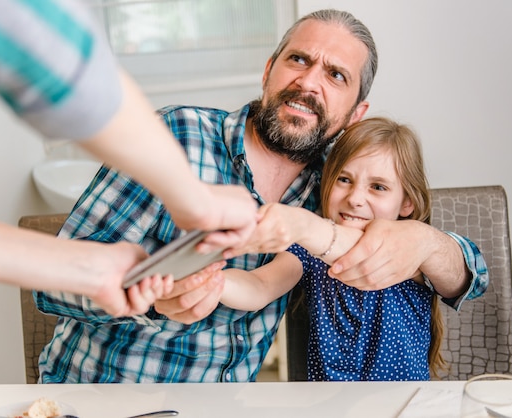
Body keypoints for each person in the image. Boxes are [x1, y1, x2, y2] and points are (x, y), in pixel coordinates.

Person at [35, 9, 488, 383]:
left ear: (355, 113)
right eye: (298, 60)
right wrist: (152, 296)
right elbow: (53, 278)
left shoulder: (334, 187)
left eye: (335, 74)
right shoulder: (175, 137)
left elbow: (472, 274)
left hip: (232, 405)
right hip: (105, 393)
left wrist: (429, 242)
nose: (310, 82)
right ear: (269, 71)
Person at [0, 0, 257, 317]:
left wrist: (85, 267)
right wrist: (192, 196)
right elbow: (44, 44)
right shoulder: (182, 128)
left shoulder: (307, 186)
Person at [220, 117, 455, 381]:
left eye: (378, 187)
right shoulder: (310, 248)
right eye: (344, 180)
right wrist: (214, 282)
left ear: (407, 204)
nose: (355, 199)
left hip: (402, 404)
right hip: (331, 405)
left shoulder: (410, 251)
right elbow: (260, 286)